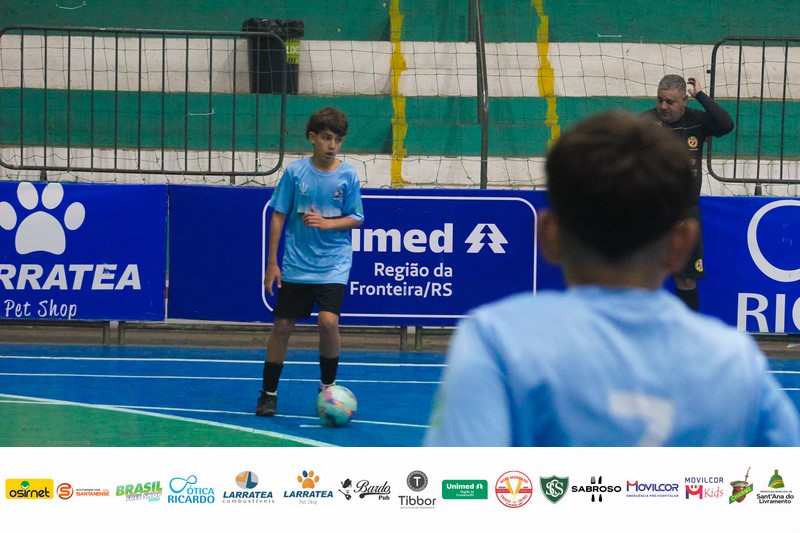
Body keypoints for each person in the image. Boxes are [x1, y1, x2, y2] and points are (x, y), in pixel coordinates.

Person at [424, 111, 800, 446]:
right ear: (682, 244)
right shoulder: (735, 362)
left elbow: (457, 488)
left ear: (548, 236)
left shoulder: (496, 341)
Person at [256, 106, 364, 417]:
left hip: (334, 263)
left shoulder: (348, 175)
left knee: (328, 322)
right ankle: (268, 393)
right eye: (327, 138)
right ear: (312, 137)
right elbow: (278, 215)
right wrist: (272, 263)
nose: (333, 145)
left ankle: (327, 389)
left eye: (338, 140)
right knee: (282, 326)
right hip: (297, 264)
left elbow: (357, 217)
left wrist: (328, 224)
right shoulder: (295, 173)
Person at [642, 74, 734, 311]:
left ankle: (685, 330)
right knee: (642, 279)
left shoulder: (696, 120)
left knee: (686, 279)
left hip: (685, 213)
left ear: (684, 100)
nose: (663, 106)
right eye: (660, 100)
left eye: (670, 101)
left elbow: (726, 125)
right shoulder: (644, 123)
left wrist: (700, 95)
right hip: (650, 212)